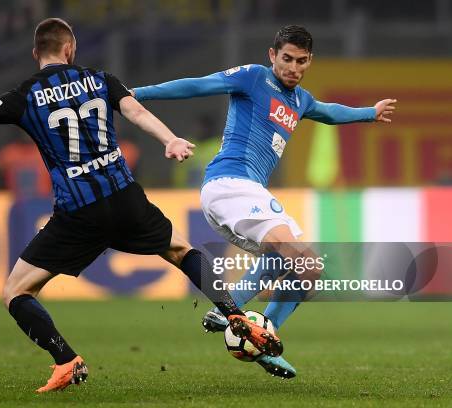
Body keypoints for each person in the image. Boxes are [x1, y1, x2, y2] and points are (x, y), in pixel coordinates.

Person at [0, 18, 283, 393]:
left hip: (78, 212)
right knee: (183, 251)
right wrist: (170, 140)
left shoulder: (23, 95)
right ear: (70, 48)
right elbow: (136, 111)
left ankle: (66, 360)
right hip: (124, 197)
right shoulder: (100, 79)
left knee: (17, 292)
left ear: (38, 53)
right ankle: (235, 314)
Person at [132, 25, 396, 379]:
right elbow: (198, 84)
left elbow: (330, 112)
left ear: (309, 62)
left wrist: (369, 113)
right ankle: (233, 306)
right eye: (287, 58)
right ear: (273, 56)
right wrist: (135, 94)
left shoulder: (300, 100)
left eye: (301, 61)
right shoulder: (254, 78)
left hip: (245, 194)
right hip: (230, 184)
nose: (293, 68)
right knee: (298, 256)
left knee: (309, 269)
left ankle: (263, 338)